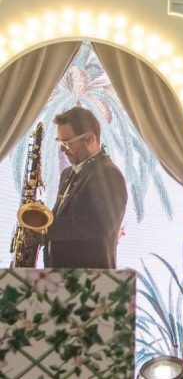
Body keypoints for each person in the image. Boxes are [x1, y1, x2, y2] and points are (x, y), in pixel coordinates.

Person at [43, 106, 128, 268]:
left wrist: (45, 228)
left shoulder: (108, 173)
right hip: (63, 279)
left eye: (67, 143)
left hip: (88, 282)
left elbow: (100, 225)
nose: (62, 149)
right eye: (59, 142)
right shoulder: (68, 173)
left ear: (89, 139)